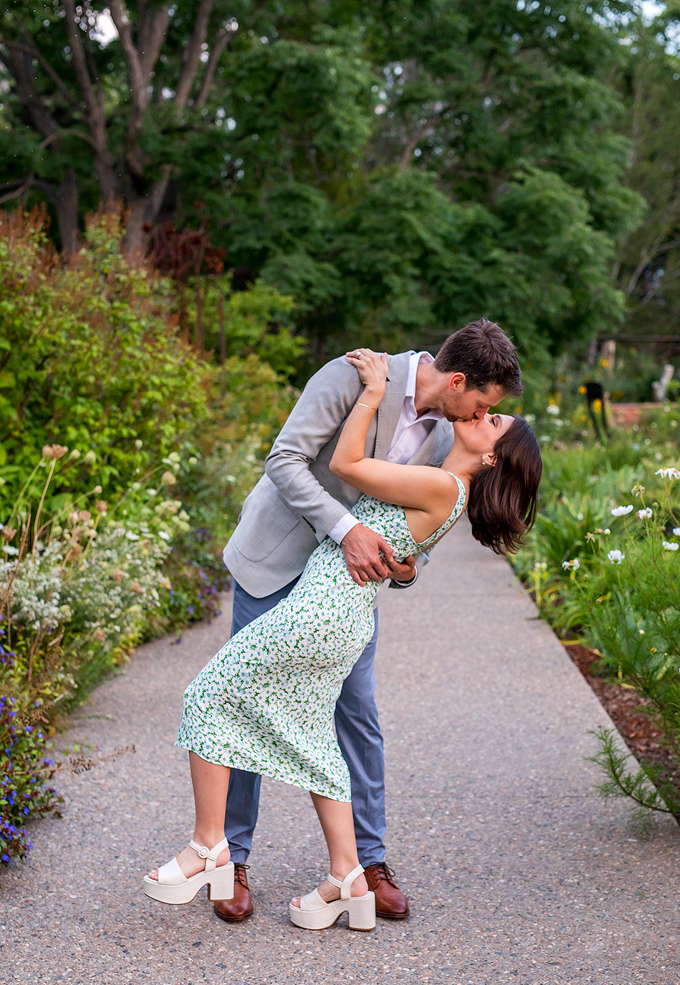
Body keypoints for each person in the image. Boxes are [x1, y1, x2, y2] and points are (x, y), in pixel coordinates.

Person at [143, 347, 542, 933]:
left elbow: (398, 513)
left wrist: (405, 565)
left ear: (489, 454)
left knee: (271, 706)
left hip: (333, 603)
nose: (479, 414)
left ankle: (333, 861)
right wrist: (350, 526)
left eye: (490, 416)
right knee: (279, 717)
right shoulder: (352, 376)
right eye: (485, 405)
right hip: (281, 565)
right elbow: (286, 460)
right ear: (459, 382)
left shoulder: (446, 451)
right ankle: (273, 864)